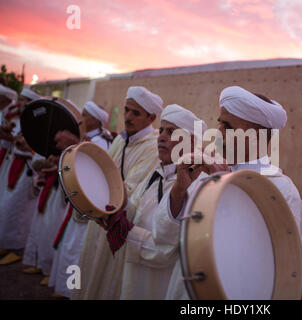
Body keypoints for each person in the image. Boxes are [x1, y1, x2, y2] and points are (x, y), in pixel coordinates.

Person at [155, 86, 302, 299]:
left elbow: (274, 274)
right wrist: (179, 189)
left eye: (227, 126)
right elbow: (162, 238)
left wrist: (226, 187)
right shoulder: (202, 173)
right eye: (219, 123)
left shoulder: (281, 190)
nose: (218, 133)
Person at [95, 104, 206, 299]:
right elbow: (135, 211)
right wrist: (119, 205)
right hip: (135, 276)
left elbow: (167, 251)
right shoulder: (157, 173)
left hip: (160, 284)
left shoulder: (194, 187)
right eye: (161, 130)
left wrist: (125, 232)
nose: (161, 136)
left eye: (171, 132)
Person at [72, 86, 163, 299]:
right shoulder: (121, 139)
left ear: (151, 117)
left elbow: (129, 191)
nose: (128, 117)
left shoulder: (152, 148)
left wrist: (95, 189)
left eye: (136, 113)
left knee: (106, 282)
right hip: (99, 220)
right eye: (126, 110)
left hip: (117, 226)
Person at [48, 101, 112, 298]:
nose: (81, 117)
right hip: (78, 200)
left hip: (89, 203)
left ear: (96, 120)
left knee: (77, 249)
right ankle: (63, 286)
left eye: (85, 114)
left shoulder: (101, 143)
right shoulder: (86, 139)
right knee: (69, 244)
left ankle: (70, 290)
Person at [0, 88, 42, 265]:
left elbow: (41, 151)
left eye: (25, 100)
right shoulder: (19, 120)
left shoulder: (40, 123)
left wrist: (29, 149)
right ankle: (6, 243)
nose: (21, 103)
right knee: (6, 206)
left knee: (19, 209)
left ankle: (16, 248)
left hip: (26, 170)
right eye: (21, 99)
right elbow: (12, 140)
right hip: (13, 165)